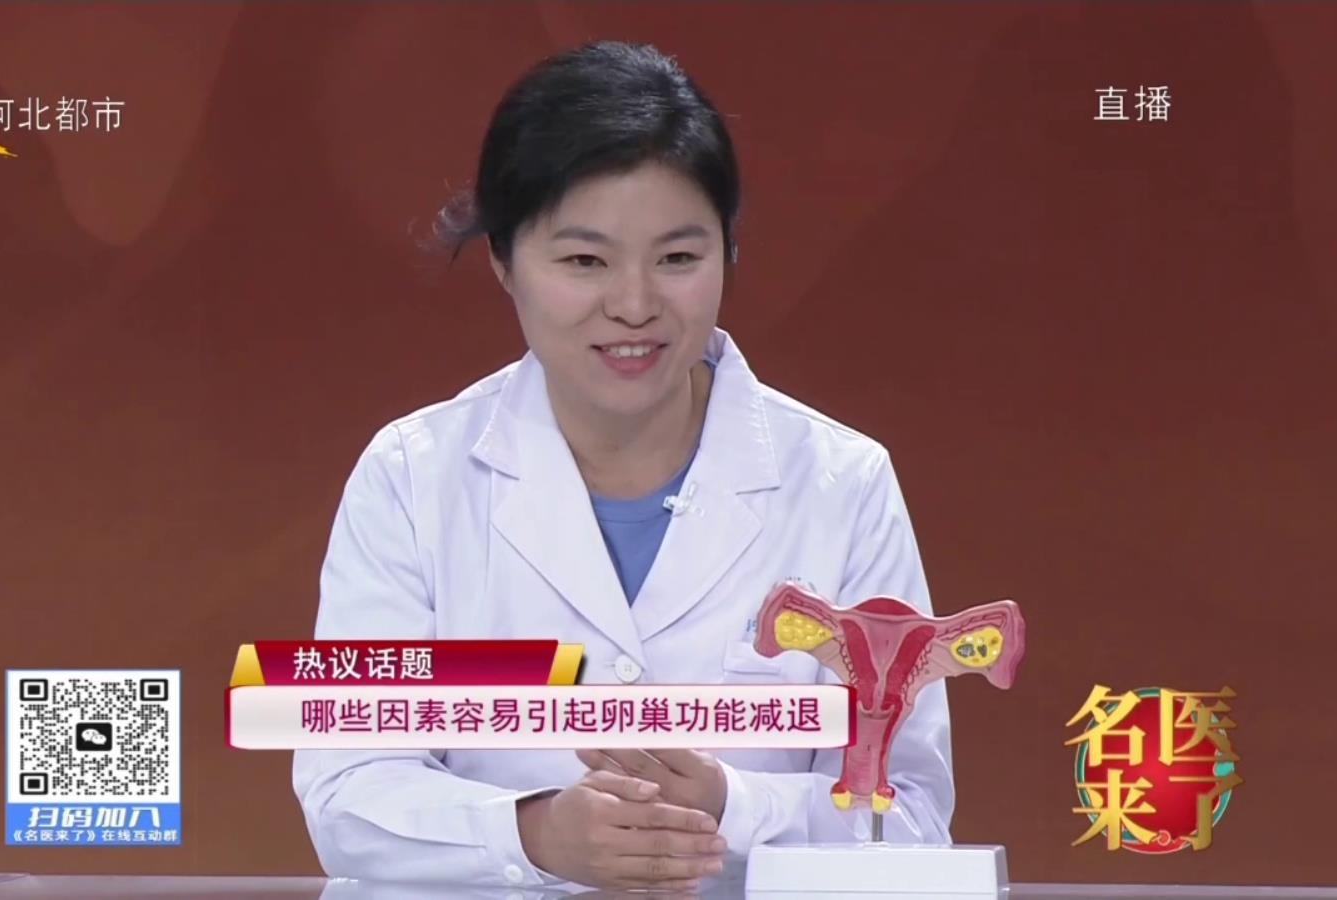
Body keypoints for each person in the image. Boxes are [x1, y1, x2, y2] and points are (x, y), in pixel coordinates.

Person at [293, 40, 954, 892]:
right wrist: (535, 834)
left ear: (727, 253)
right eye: (584, 261)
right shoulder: (412, 480)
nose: (635, 305)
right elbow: (347, 791)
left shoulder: (841, 483)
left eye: (678, 259)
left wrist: (729, 805)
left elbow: (911, 814)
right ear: (503, 261)